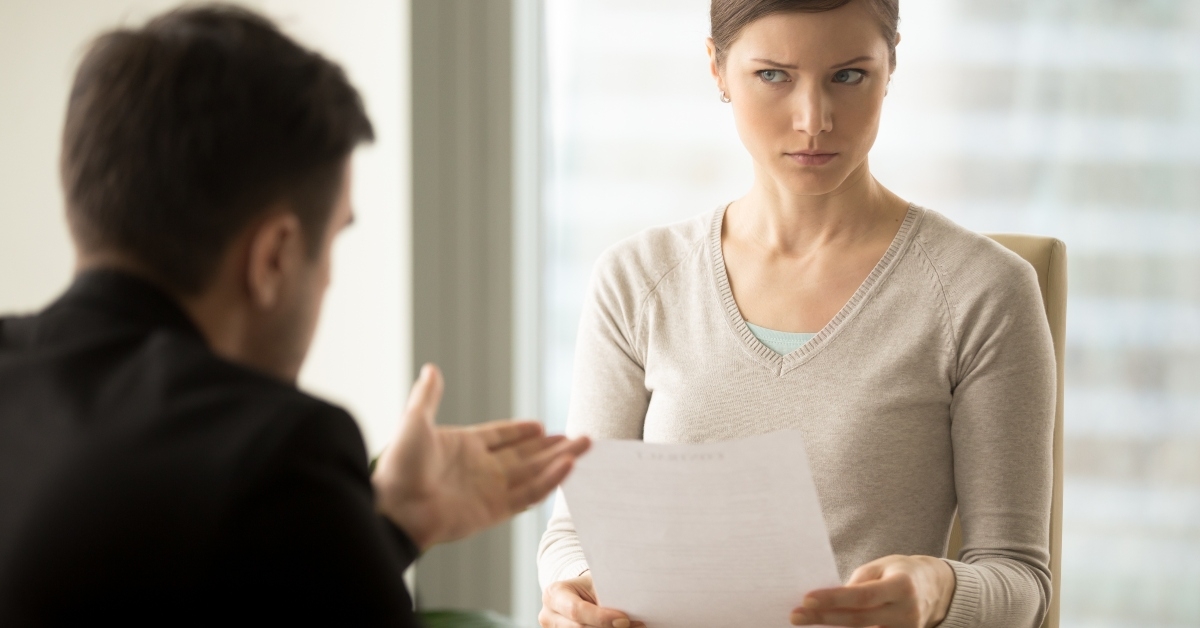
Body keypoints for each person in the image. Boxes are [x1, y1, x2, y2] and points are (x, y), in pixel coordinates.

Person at [0, 5, 589, 626]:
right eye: (333, 241)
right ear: (275, 257)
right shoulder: (278, 455)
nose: (329, 277)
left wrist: (389, 524)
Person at [536, 0, 1055, 627]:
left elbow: (1020, 580)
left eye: (849, 75)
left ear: (891, 67)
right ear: (718, 70)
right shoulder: (637, 282)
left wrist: (939, 590)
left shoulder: (983, 291)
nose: (814, 121)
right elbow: (574, 534)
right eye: (774, 76)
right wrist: (576, 592)